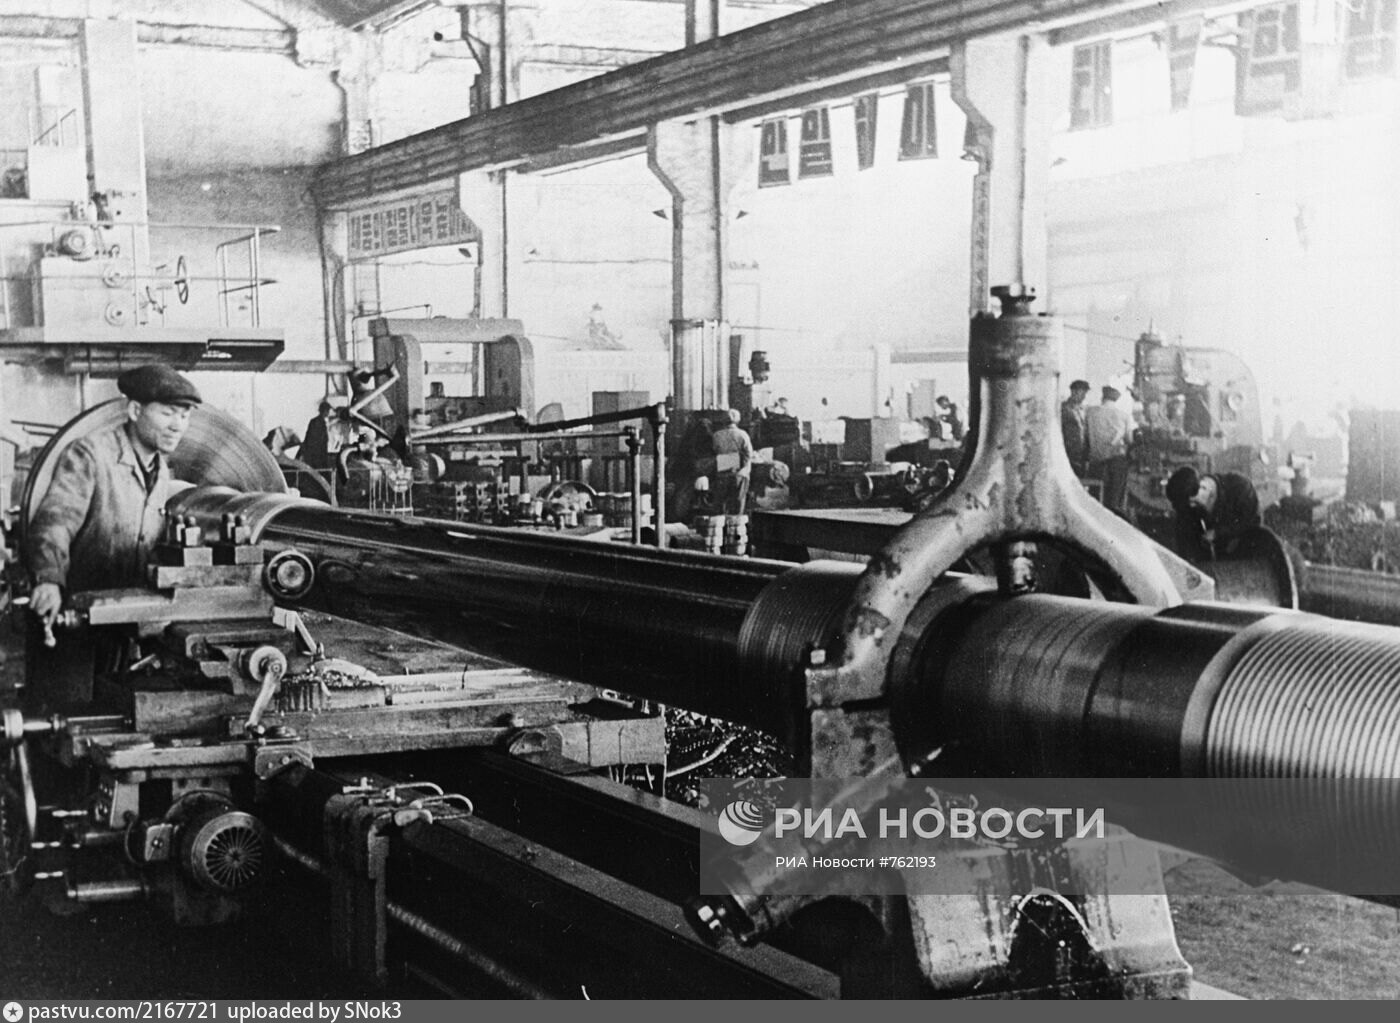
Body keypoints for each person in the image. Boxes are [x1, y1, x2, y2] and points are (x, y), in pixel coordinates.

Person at [26, 364, 202, 630]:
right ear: (135, 411)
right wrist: (49, 580)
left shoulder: (161, 471)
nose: (177, 426)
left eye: (184, 416)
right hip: (80, 615)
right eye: (167, 413)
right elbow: (56, 522)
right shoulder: (91, 454)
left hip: (130, 616)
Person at [1165, 466, 1261, 563]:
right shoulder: (1189, 501)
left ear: (1203, 487)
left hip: (1248, 555)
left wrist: (1218, 533)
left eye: (1194, 502)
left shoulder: (1241, 487)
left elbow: (1250, 523)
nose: (1192, 506)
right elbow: (1183, 541)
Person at [1085, 385, 1135, 514]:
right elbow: (1129, 440)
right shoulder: (1124, 416)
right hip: (1116, 462)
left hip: (1096, 461)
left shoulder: (1090, 412)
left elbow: (1085, 436)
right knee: (1114, 500)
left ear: (1102, 397)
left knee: (1095, 499)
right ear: (1116, 400)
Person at [709, 409, 754, 515]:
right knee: (738, 503)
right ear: (738, 420)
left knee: (721, 504)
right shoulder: (742, 434)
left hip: (722, 472)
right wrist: (742, 467)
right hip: (739, 473)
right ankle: (736, 523)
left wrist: (726, 461)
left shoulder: (716, 435)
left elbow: (713, 452)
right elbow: (749, 454)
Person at [1060, 379, 1090, 476]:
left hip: (1081, 453)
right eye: (1082, 393)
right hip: (1068, 451)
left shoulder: (1084, 409)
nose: (1084, 396)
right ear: (1073, 391)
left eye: (1085, 393)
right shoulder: (1064, 408)